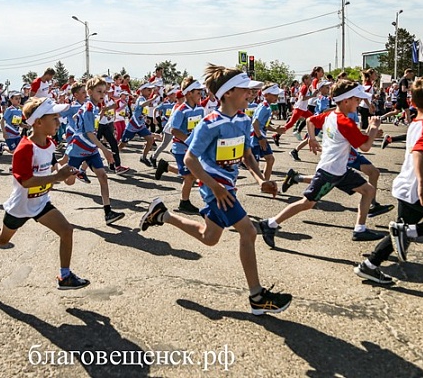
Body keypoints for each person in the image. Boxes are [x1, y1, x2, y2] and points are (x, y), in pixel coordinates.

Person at [139, 65, 292, 315]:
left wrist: (259, 178)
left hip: (227, 187)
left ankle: (162, 214)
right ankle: (257, 296)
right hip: (216, 190)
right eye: (245, 89)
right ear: (229, 93)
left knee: (209, 238)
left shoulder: (243, 120)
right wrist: (215, 188)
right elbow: (190, 160)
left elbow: (246, 153)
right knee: (249, 231)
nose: (250, 94)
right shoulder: (209, 124)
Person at [0, 97, 90, 290]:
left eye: (58, 118)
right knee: (2, 239)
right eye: (54, 118)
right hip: (20, 206)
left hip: (40, 203)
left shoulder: (49, 143)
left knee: (66, 230)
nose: (59, 122)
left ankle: (65, 276)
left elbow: (53, 165)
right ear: (39, 122)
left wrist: (68, 173)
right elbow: (26, 181)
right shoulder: (24, 149)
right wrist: (57, 177)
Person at [259, 80, 384, 248]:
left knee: (368, 190)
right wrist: (373, 127)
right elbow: (366, 147)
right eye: (357, 99)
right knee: (307, 203)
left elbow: (310, 120)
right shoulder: (346, 122)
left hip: (339, 170)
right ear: (346, 101)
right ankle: (271, 223)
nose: (359, 102)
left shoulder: (332, 115)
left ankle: (359, 229)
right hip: (330, 171)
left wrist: (311, 138)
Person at [354, 76, 423, 284]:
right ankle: (408, 232)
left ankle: (369, 265)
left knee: (398, 231)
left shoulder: (418, 123)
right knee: (408, 229)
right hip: (416, 189)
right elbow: (419, 152)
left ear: (412, 103)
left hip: (407, 186)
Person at [64, 76, 126, 225]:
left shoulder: (92, 107)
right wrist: (105, 150)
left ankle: (108, 212)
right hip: (79, 149)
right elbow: (90, 133)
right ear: (90, 91)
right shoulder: (89, 107)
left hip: (91, 149)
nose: (103, 95)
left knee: (103, 177)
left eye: (104, 92)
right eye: (99, 91)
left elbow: (86, 122)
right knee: (69, 181)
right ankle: (55, 171)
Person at [155, 77, 205, 213]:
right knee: (189, 176)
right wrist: (189, 140)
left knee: (193, 175)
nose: (201, 95)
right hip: (181, 149)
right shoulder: (181, 110)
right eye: (198, 92)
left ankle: (166, 167)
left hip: (194, 148)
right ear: (189, 93)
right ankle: (184, 203)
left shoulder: (200, 109)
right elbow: (173, 129)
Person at [248, 83, 286, 182]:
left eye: (277, 95)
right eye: (274, 95)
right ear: (266, 95)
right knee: (253, 165)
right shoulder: (264, 107)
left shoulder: (267, 107)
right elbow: (255, 123)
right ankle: (263, 183)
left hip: (261, 136)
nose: (276, 97)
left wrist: (276, 130)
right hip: (256, 138)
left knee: (270, 159)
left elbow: (264, 125)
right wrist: (260, 138)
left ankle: (266, 183)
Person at [118, 82, 157, 166]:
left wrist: (145, 119)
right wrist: (153, 99)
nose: (150, 92)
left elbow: (141, 112)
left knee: (150, 140)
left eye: (151, 90)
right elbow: (142, 105)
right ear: (142, 90)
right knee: (122, 145)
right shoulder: (140, 98)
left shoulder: (144, 99)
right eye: (148, 90)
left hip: (140, 126)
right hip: (132, 126)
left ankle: (143, 157)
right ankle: (113, 157)